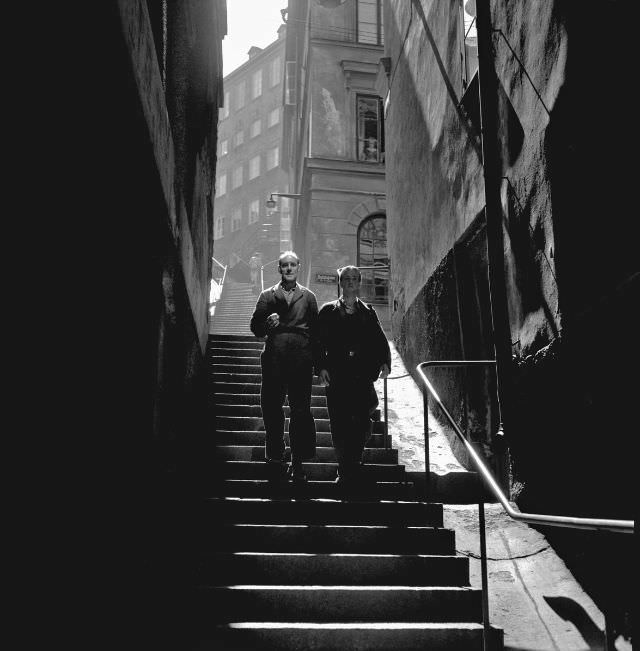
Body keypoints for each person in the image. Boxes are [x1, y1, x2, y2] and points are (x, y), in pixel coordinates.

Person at [317, 265, 391, 492]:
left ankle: (355, 464)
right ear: (340, 282)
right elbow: (317, 342)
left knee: (361, 422)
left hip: (361, 377)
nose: (349, 282)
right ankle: (344, 469)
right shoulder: (328, 311)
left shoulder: (368, 311)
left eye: (353, 278)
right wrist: (321, 368)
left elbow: (379, 339)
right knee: (339, 423)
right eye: (345, 278)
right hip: (337, 376)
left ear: (359, 282)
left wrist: (385, 362)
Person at [250, 251, 319, 487]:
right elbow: (255, 327)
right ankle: (275, 460)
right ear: (279, 269)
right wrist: (266, 324)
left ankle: (297, 464)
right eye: (284, 266)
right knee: (272, 410)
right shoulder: (267, 295)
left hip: (301, 362)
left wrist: (319, 365)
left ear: (298, 267)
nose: (289, 269)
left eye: (292, 265)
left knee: (300, 412)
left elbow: (317, 333)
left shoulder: (308, 297)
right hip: (274, 360)